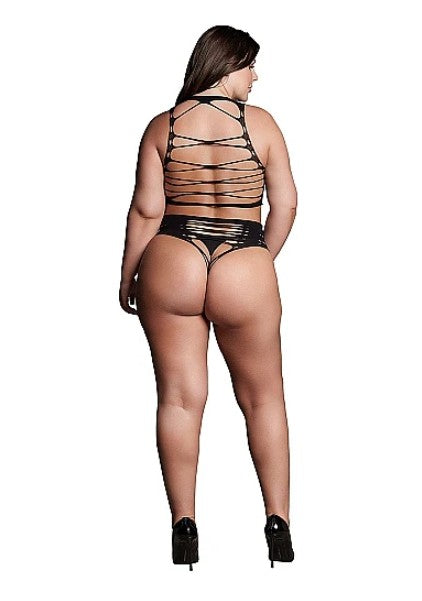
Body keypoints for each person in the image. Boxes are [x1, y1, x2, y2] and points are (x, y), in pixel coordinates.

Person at [119, 25, 297, 570]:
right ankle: (278, 525)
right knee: (264, 399)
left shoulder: (164, 126)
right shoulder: (260, 125)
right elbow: (287, 204)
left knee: (178, 399)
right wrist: (258, 260)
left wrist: (128, 276)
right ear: (226, 65)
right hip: (243, 255)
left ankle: (184, 527)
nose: (256, 77)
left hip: (172, 257)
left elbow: (146, 210)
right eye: (250, 66)